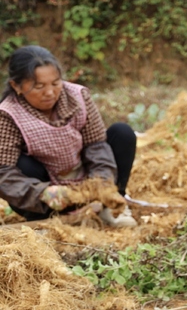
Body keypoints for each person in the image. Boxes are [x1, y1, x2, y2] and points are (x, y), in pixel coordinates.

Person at [0, 45, 137, 225]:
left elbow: (95, 145)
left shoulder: (78, 96)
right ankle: (46, 218)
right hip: (47, 191)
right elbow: (4, 174)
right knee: (20, 164)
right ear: (16, 86)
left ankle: (109, 207)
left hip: (85, 176)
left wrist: (102, 184)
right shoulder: (8, 114)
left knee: (122, 133)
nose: (49, 92)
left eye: (56, 83)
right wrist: (42, 193)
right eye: (39, 86)